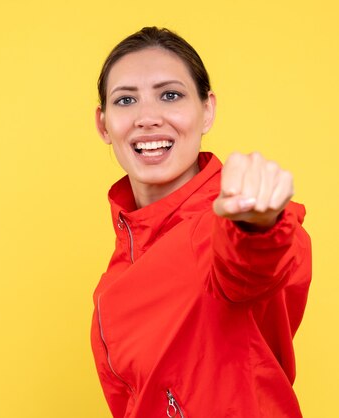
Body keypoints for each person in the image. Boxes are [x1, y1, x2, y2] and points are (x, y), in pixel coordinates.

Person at [90, 27, 312, 417]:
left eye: (170, 95)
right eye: (126, 100)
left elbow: (249, 263)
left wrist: (257, 226)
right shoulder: (115, 276)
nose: (147, 117)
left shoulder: (221, 225)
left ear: (207, 110)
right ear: (104, 125)